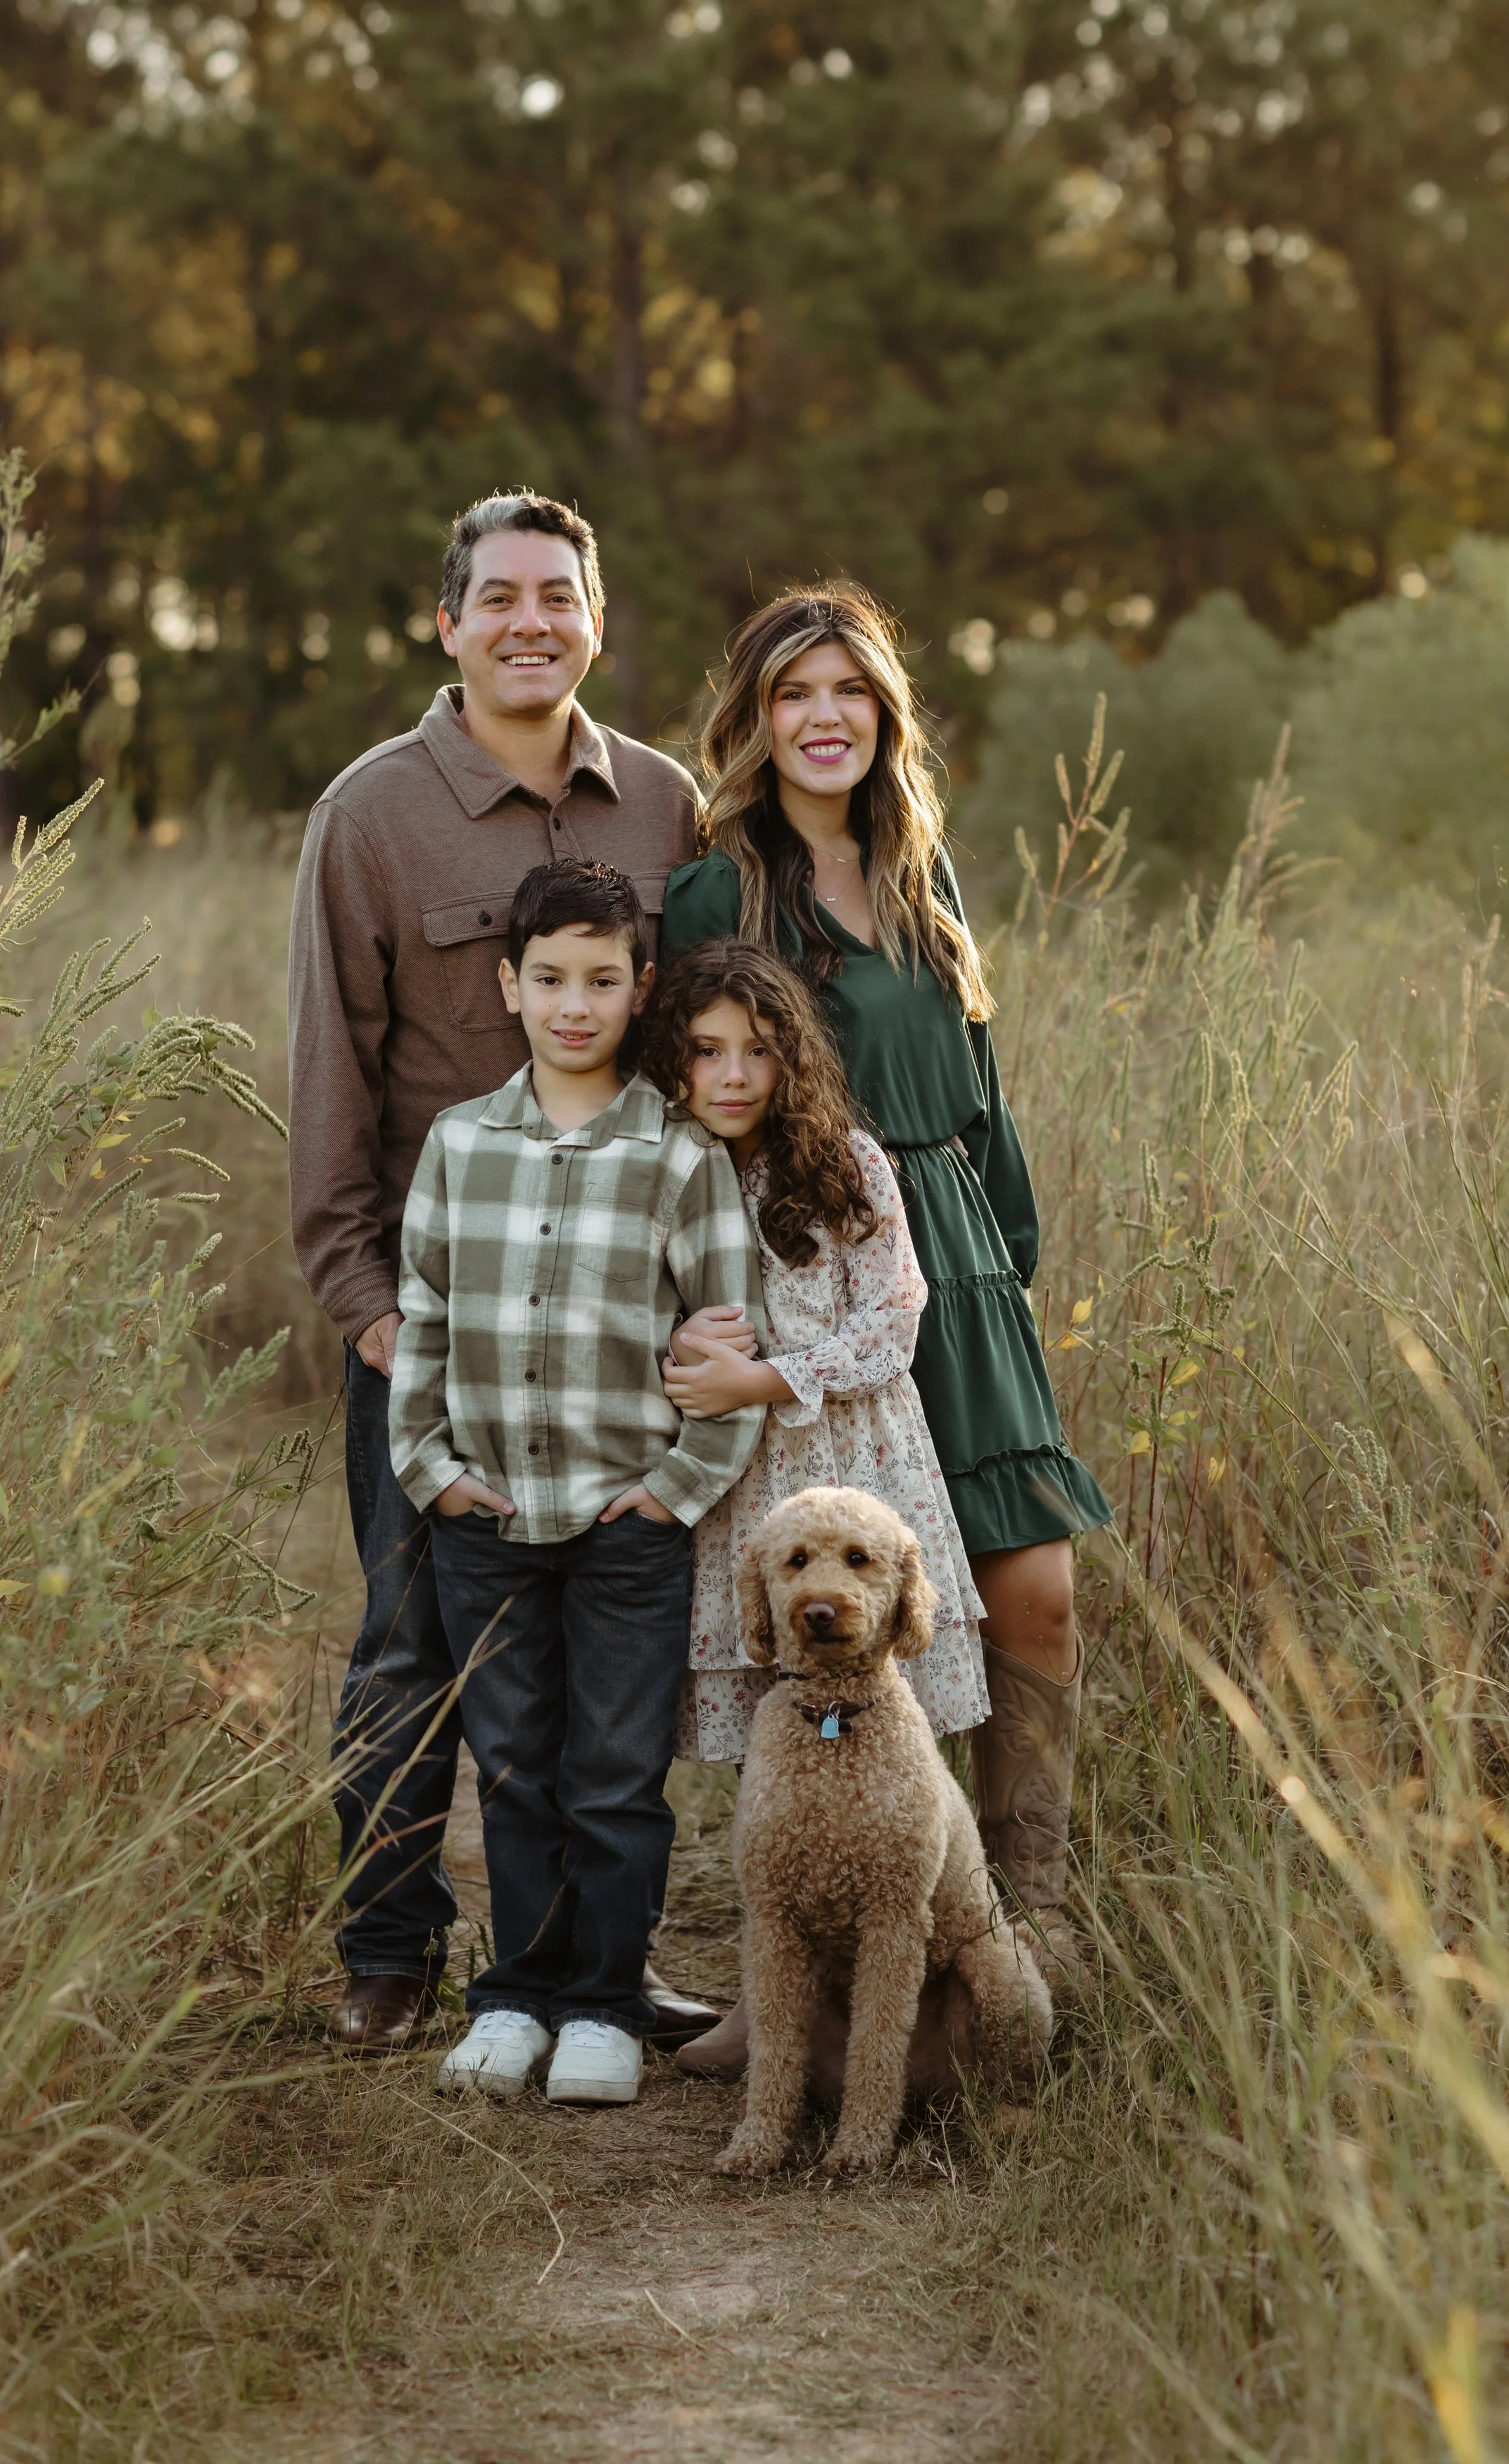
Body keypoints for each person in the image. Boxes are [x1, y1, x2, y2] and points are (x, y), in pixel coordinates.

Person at [287, 488, 717, 2050]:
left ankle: (597, 1962)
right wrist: (367, 1309)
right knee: (414, 1641)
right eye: (500, 597)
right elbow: (330, 1076)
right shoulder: (371, 815)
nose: (531, 622)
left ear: (596, 619)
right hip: (439, 1321)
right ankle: (391, 1948)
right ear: (449, 621)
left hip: (622, 1318)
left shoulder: (667, 807)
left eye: (559, 596)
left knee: (617, 1655)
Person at [659, 585, 1111, 1990]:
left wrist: (1008, 1260)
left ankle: (1012, 1928)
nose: (822, 718)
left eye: (848, 691)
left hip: (957, 1267)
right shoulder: (712, 887)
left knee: (1028, 1592)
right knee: (839, 1624)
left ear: (882, 715)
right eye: (793, 693)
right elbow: (685, 1098)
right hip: (806, 1273)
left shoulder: (921, 869)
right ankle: (832, 1951)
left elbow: (980, 1094)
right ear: (753, 719)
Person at [390, 860, 765, 2107]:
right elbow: (425, 1321)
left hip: (625, 1520)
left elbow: (729, 1335)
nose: (574, 1005)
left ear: (638, 987)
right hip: (486, 1517)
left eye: (603, 981)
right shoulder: (459, 1145)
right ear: (510, 985)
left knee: (613, 1771)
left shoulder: (676, 1157)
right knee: (511, 1765)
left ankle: (604, 2003)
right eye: (549, 979)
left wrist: (676, 1488)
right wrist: (431, 1474)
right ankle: (516, 1995)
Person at [640, 939, 989, 1758]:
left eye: (758, 1051)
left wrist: (761, 1380)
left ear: (790, 1057)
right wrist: (678, 1344)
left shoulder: (846, 1164)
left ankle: (902, 1845)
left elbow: (892, 1324)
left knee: (873, 1674)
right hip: (740, 1477)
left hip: (853, 1456)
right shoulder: (663, 1171)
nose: (733, 1076)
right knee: (774, 1662)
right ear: (673, 1058)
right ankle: (784, 1845)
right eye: (707, 1051)